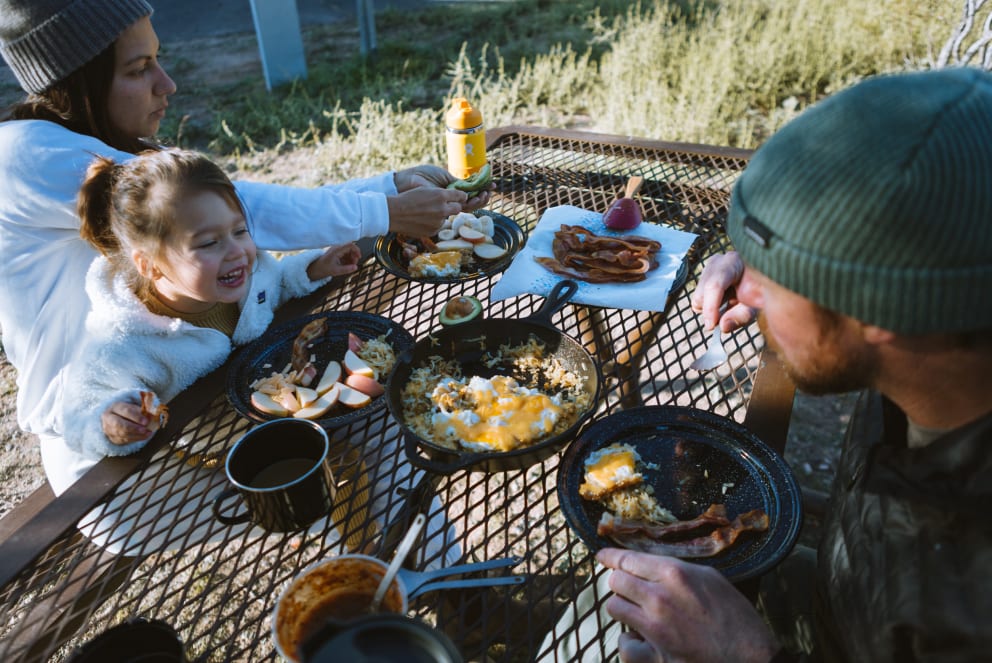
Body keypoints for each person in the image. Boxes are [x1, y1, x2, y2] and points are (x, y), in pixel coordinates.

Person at [0, 0, 488, 495]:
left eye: (158, 60)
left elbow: (232, 208)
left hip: (210, 389)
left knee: (379, 440)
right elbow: (248, 210)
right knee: (359, 468)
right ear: (76, 82)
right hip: (119, 454)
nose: (167, 84)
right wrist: (386, 206)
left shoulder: (112, 149)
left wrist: (389, 187)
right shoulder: (23, 154)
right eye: (139, 68)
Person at [588, 67, 992, 662]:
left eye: (772, 282)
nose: (744, 292)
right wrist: (773, 262)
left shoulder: (966, 606)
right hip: (839, 590)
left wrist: (746, 653)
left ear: (878, 307)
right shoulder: (941, 349)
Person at [64, 147, 359, 458]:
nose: (237, 251)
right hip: (208, 459)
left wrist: (313, 268)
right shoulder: (121, 343)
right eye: (209, 243)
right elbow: (76, 417)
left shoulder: (250, 273)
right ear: (149, 264)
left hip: (286, 421)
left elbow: (278, 285)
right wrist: (109, 422)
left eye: (240, 230)